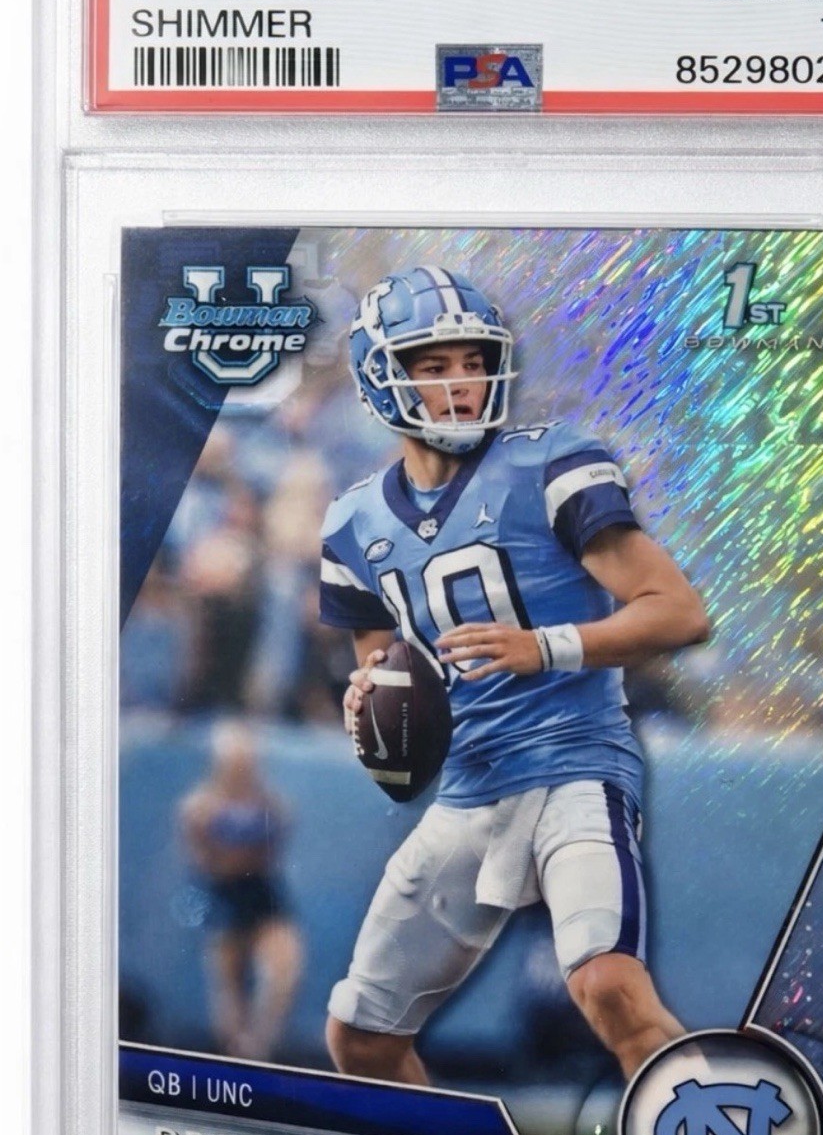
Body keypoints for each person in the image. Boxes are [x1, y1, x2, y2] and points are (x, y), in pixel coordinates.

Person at [318, 266, 709, 1087]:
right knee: (361, 1041)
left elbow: (678, 612)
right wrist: (367, 699)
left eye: (472, 361)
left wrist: (546, 646)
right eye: (434, 366)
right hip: (468, 791)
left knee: (610, 987)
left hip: (575, 766)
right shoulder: (353, 522)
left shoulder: (550, 464)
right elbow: (384, 669)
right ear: (381, 379)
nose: (462, 383)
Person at [180, 723, 302, 1060]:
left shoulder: (269, 804)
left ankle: (260, 1045)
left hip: (261, 893)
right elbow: (204, 860)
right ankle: (235, 1051)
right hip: (224, 895)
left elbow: (274, 846)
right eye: (235, 764)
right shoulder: (200, 807)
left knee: (285, 965)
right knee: (229, 985)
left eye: (246, 763)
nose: (241, 770)